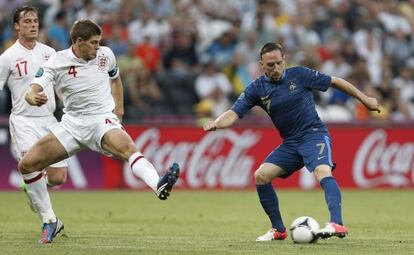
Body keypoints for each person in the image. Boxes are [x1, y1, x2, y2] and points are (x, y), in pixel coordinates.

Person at [19, 19, 180, 244]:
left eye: (99, 42)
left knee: (127, 148)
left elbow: (115, 80)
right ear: (79, 42)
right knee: (27, 165)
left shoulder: (106, 55)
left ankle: (158, 184)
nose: (98, 47)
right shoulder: (57, 61)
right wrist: (31, 96)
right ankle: (50, 220)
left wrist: (119, 113)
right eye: (93, 43)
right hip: (72, 124)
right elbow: (33, 88)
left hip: (101, 120)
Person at [203, 42, 380, 241]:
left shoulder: (300, 75)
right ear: (261, 64)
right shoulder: (256, 88)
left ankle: (336, 224)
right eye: (270, 65)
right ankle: (278, 230)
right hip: (291, 143)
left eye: (279, 63)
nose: (276, 68)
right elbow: (234, 113)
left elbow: (336, 81)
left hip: (314, 135)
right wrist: (216, 124)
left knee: (322, 171)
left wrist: (365, 99)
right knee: (261, 175)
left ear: (284, 60)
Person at [0, 6, 68, 219]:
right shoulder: (8, 57)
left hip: (49, 120)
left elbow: (60, 85)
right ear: (17, 26)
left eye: (35, 21)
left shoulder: (50, 53)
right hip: (24, 121)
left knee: (58, 177)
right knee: (32, 168)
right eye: (27, 21)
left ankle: (32, 188)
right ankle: (49, 221)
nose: (32, 25)